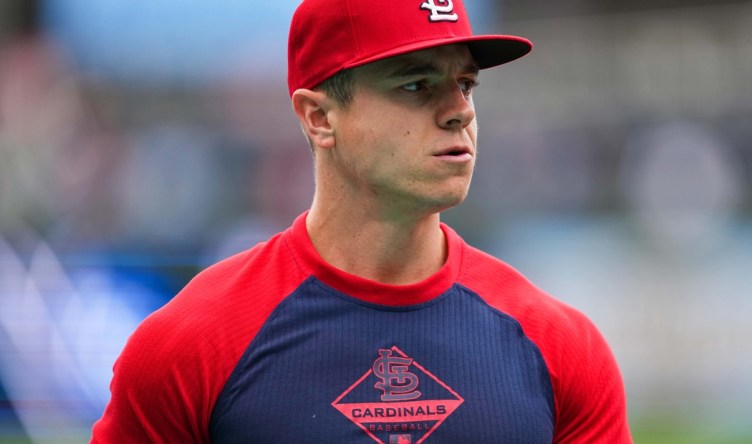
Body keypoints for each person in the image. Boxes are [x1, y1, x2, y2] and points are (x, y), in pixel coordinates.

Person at [91, 0, 632, 442]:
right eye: (416, 85)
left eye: (465, 84)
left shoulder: (560, 349)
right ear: (319, 118)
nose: (458, 110)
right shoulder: (192, 346)